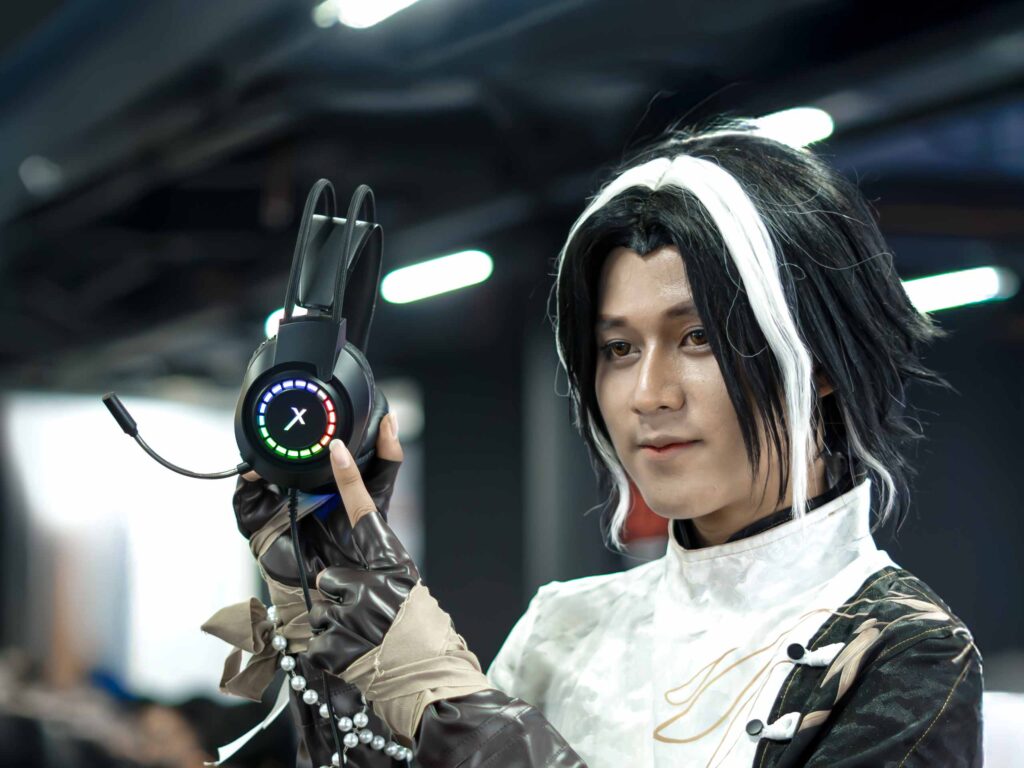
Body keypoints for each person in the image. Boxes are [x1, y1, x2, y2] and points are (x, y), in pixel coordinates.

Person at [227, 121, 983, 767]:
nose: (649, 393)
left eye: (698, 337)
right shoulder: (565, 628)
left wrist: (446, 696)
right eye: (619, 349)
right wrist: (338, 649)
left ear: (818, 361)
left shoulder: (908, 654)